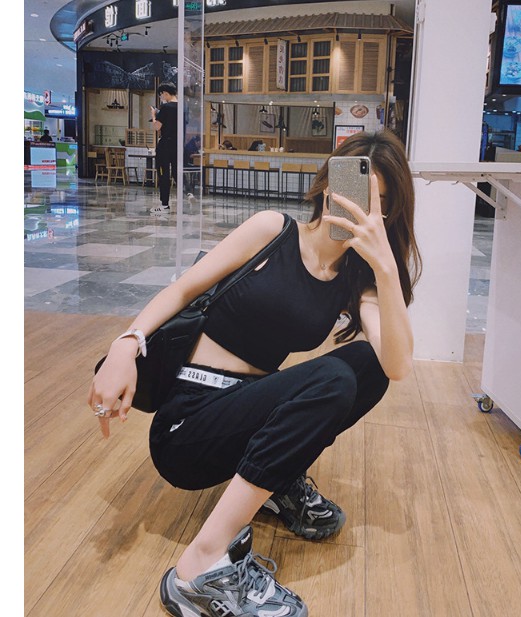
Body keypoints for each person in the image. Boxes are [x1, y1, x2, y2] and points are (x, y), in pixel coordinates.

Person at [88, 130, 422, 617]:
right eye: (354, 191)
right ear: (328, 185)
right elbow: (183, 290)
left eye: (380, 203)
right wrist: (126, 343)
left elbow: (397, 365)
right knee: (332, 381)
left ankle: (276, 481)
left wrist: (386, 267)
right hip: (188, 425)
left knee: (366, 366)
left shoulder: (357, 277)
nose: (361, 210)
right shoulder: (273, 230)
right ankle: (200, 567)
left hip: (243, 411)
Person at [150, 82, 178, 214]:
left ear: (165, 93)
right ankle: (189, 194)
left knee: (163, 174)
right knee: (177, 172)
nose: (161, 98)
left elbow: (157, 127)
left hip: (165, 145)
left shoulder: (166, 107)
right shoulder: (182, 107)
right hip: (178, 144)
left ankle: (164, 205)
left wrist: (153, 115)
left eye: (161, 95)